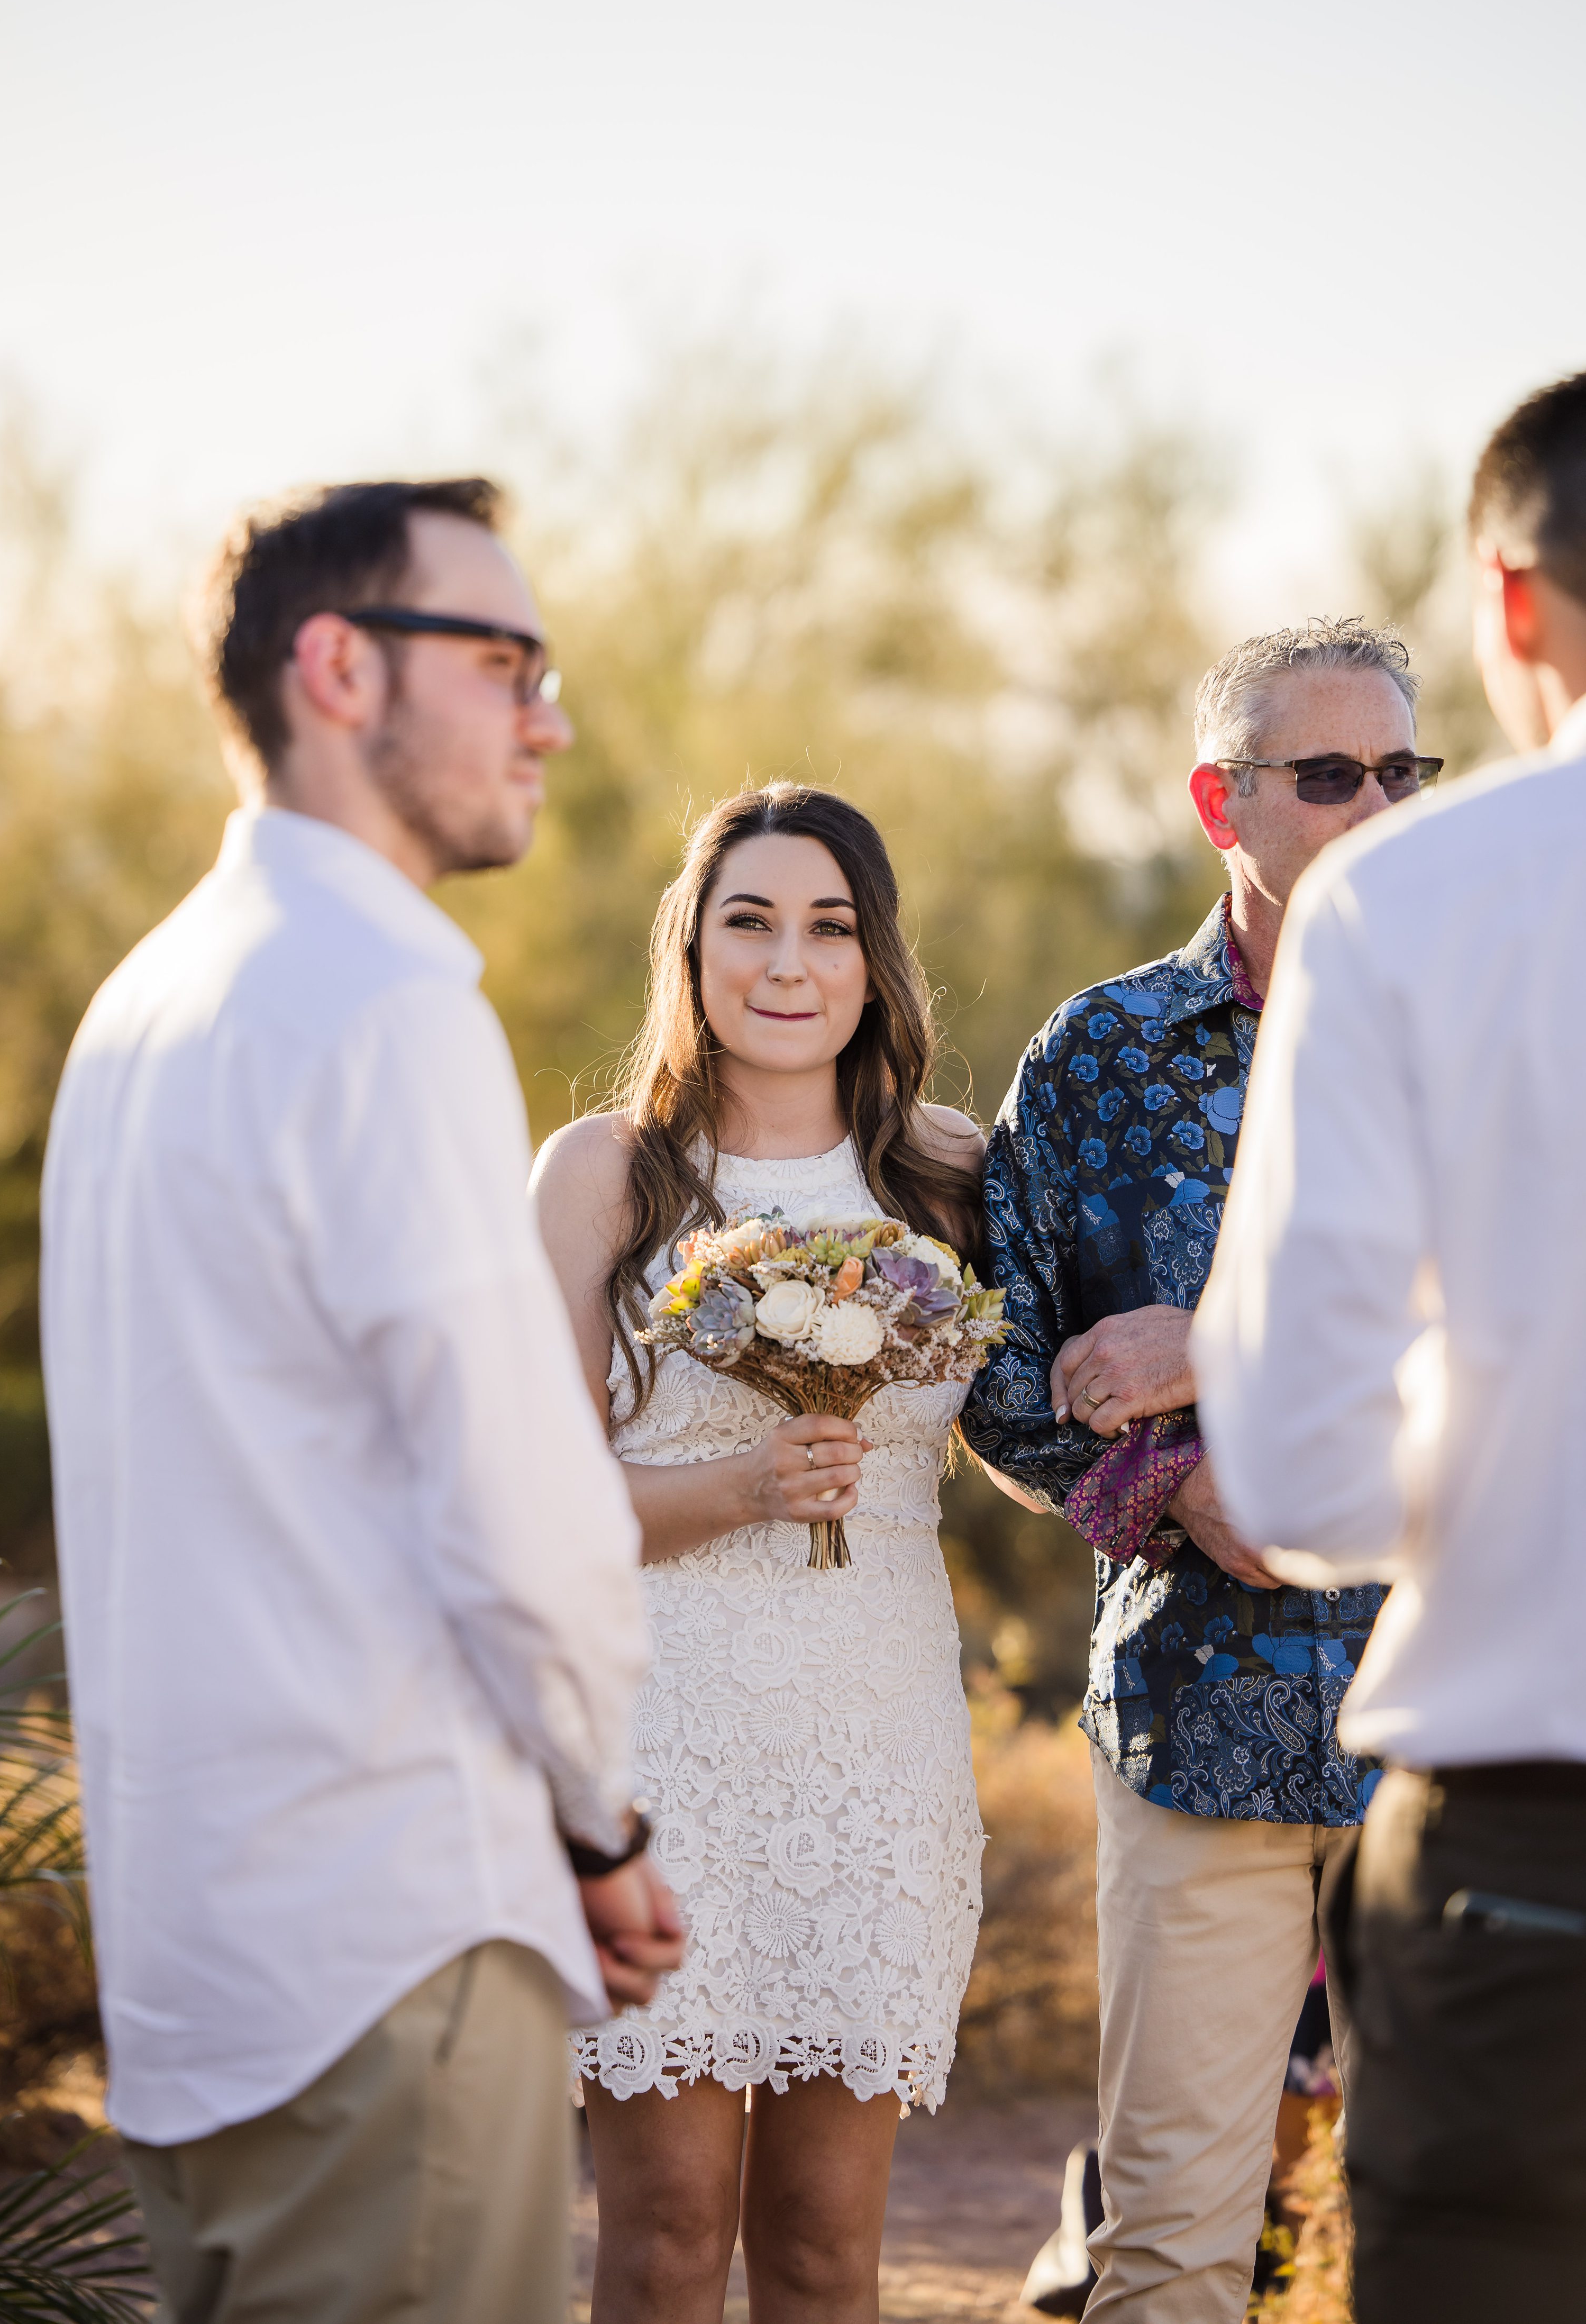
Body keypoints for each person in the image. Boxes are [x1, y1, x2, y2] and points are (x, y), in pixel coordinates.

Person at [40, 477, 682, 2324]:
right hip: (389, 1935)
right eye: (503, 659)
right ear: (337, 665)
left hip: (198, 1960)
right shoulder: (380, 1001)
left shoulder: (148, 1002)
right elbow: (513, 1500)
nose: (546, 714)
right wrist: (602, 1821)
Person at [963, 618, 1444, 2322]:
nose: (1376, 806)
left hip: (1460, 1731)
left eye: (1405, 770)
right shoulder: (1098, 1058)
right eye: (1329, 775)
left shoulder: (1506, 1033)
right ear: (1218, 802)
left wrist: (1212, 1337)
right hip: (1198, 1721)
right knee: (1171, 2239)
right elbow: (1001, 1366)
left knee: (1461, 2235)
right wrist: (1165, 1489)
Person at [1193, 371, 1586, 2322]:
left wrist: (1504, 1425)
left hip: (1535, 1862)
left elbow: (1296, 1468)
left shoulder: (1408, 910)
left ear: (1512, 608)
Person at [533, 782, 1025, 2323]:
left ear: (877, 962)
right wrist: (740, 1484)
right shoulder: (603, 1177)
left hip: (876, 1738)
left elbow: (1046, 1424)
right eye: (748, 921)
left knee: (825, 2245)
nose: (789, 962)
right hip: (662, 1739)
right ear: (692, 950)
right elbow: (527, 1508)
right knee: (669, 2230)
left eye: (828, 926)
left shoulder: (951, 1176)